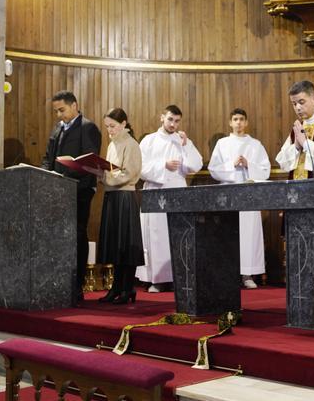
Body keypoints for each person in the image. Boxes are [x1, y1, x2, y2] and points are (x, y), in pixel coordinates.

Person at [39, 90, 102, 301]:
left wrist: (63, 173)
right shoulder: (58, 128)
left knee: (77, 235)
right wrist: (46, 173)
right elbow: (49, 157)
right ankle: (59, 282)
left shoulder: (88, 127)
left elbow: (90, 161)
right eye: (56, 111)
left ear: (74, 105)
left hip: (80, 189)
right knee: (59, 236)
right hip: (57, 190)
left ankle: (76, 286)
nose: (59, 115)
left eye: (62, 110)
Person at [135, 105, 203, 292]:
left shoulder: (181, 140)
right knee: (157, 236)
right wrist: (163, 165)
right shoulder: (149, 140)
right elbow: (139, 167)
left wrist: (186, 146)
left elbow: (196, 165)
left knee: (177, 234)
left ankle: (177, 277)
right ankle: (156, 279)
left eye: (177, 121)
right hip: (156, 190)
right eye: (170, 119)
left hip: (177, 190)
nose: (173, 124)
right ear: (162, 117)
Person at [208, 108, 271, 289]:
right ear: (230, 122)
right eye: (235, 119)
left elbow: (265, 170)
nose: (238, 123)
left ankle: (247, 274)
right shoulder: (222, 143)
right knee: (228, 233)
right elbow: (214, 169)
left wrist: (248, 164)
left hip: (249, 195)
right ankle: (227, 272)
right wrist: (231, 165)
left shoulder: (255, 145)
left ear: (246, 122)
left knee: (248, 234)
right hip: (228, 195)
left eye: (242, 119)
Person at [93, 108, 144, 305]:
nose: (110, 131)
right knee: (115, 243)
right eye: (107, 127)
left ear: (123, 124)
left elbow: (129, 174)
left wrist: (105, 178)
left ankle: (127, 288)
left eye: (112, 126)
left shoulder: (131, 144)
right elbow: (111, 171)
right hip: (112, 196)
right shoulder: (112, 145)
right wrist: (98, 172)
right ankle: (116, 287)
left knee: (126, 244)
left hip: (125, 197)